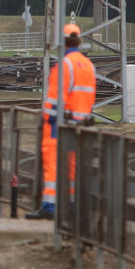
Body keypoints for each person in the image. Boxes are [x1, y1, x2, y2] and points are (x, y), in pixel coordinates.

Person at [27, 23, 96, 220]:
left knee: (53, 165)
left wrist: (48, 120)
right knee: (73, 167)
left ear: (62, 42)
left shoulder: (64, 65)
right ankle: (71, 206)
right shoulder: (88, 65)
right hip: (82, 125)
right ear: (79, 41)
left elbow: (54, 100)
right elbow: (89, 99)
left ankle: (50, 206)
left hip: (59, 125)